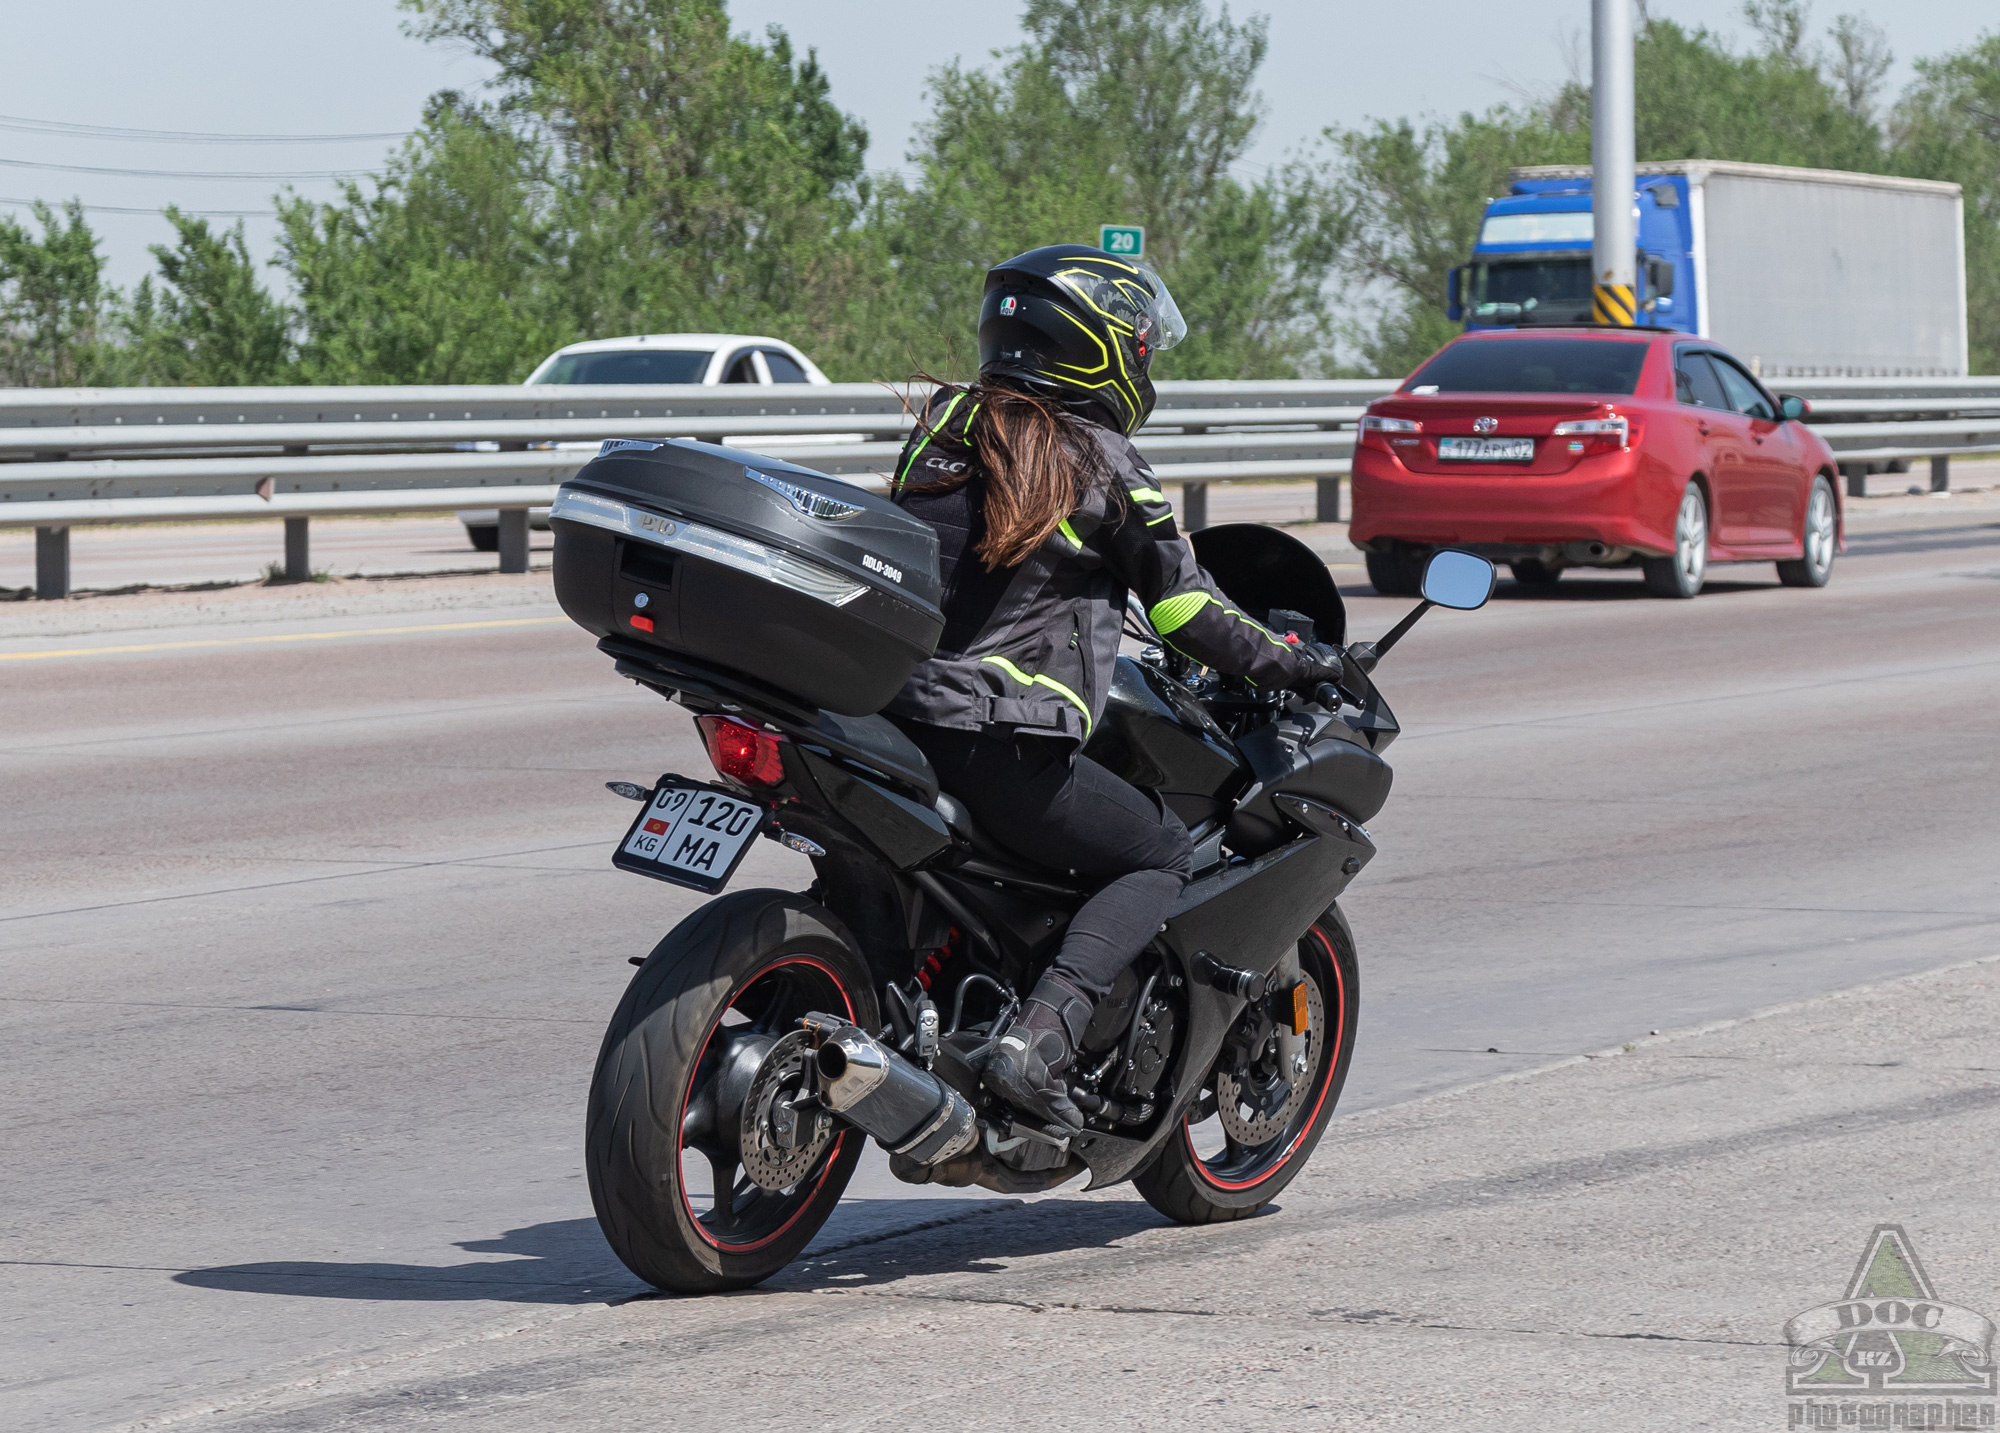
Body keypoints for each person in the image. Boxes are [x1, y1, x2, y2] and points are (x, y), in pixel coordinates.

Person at [885, 243, 1343, 1133]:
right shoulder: (1100, 460)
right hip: (995, 731)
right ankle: (1041, 1036)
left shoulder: (946, 427)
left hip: (886, 704)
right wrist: (1300, 660)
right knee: (1159, 854)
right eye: (1138, 342)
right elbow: (1187, 614)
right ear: (1098, 346)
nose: (1144, 358)